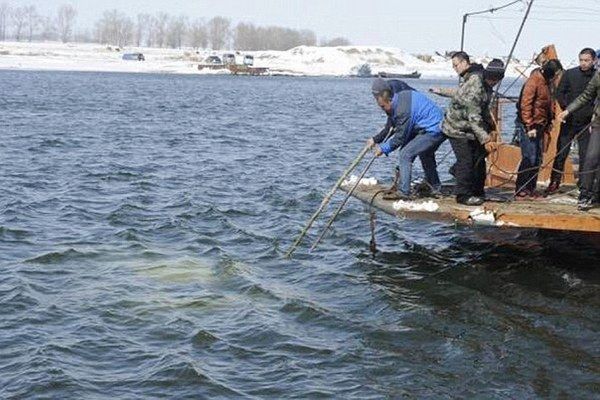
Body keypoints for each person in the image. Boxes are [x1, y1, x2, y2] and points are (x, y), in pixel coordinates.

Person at [367, 78, 445, 200]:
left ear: (387, 98)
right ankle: (434, 186)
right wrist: (377, 139)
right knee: (425, 154)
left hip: (434, 130)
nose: (382, 109)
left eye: (382, 106)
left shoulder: (402, 110)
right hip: (434, 126)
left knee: (405, 154)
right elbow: (393, 126)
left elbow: (400, 137)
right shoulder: (399, 98)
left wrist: (383, 148)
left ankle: (404, 192)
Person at [442, 52, 502, 206]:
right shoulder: (476, 86)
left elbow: (484, 110)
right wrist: (486, 139)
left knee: (479, 159)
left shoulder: (487, 86)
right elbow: (474, 117)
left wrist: (492, 127)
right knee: (466, 161)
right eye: (491, 79)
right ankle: (462, 195)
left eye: (496, 81)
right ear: (487, 76)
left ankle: (477, 191)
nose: (493, 83)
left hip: (471, 128)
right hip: (457, 127)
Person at [547, 48, 597, 194]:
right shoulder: (570, 74)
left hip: (587, 122)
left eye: (587, 60)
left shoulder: (596, 76)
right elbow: (559, 93)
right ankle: (554, 182)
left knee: (585, 155)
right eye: (581, 60)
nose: (583, 63)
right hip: (569, 120)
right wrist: (566, 108)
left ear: (593, 60)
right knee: (561, 153)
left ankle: (583, 185)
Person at [514, 59, 563, 200]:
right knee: (529, 157)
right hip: (530, 125)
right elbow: (526, 104)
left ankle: (531, 188)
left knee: (537, 159)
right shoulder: (534, 81)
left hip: (541, 124)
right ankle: (521, 189)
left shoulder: (548, 83)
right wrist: (529, 125)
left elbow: (550, 101)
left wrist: (551, 119)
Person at [559, 66, 600, 211]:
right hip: (599, 124)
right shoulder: (598, 76)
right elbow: (586, 95)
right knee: (591, 158)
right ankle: (585, 195)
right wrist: (568, 110)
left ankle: (597, 193)